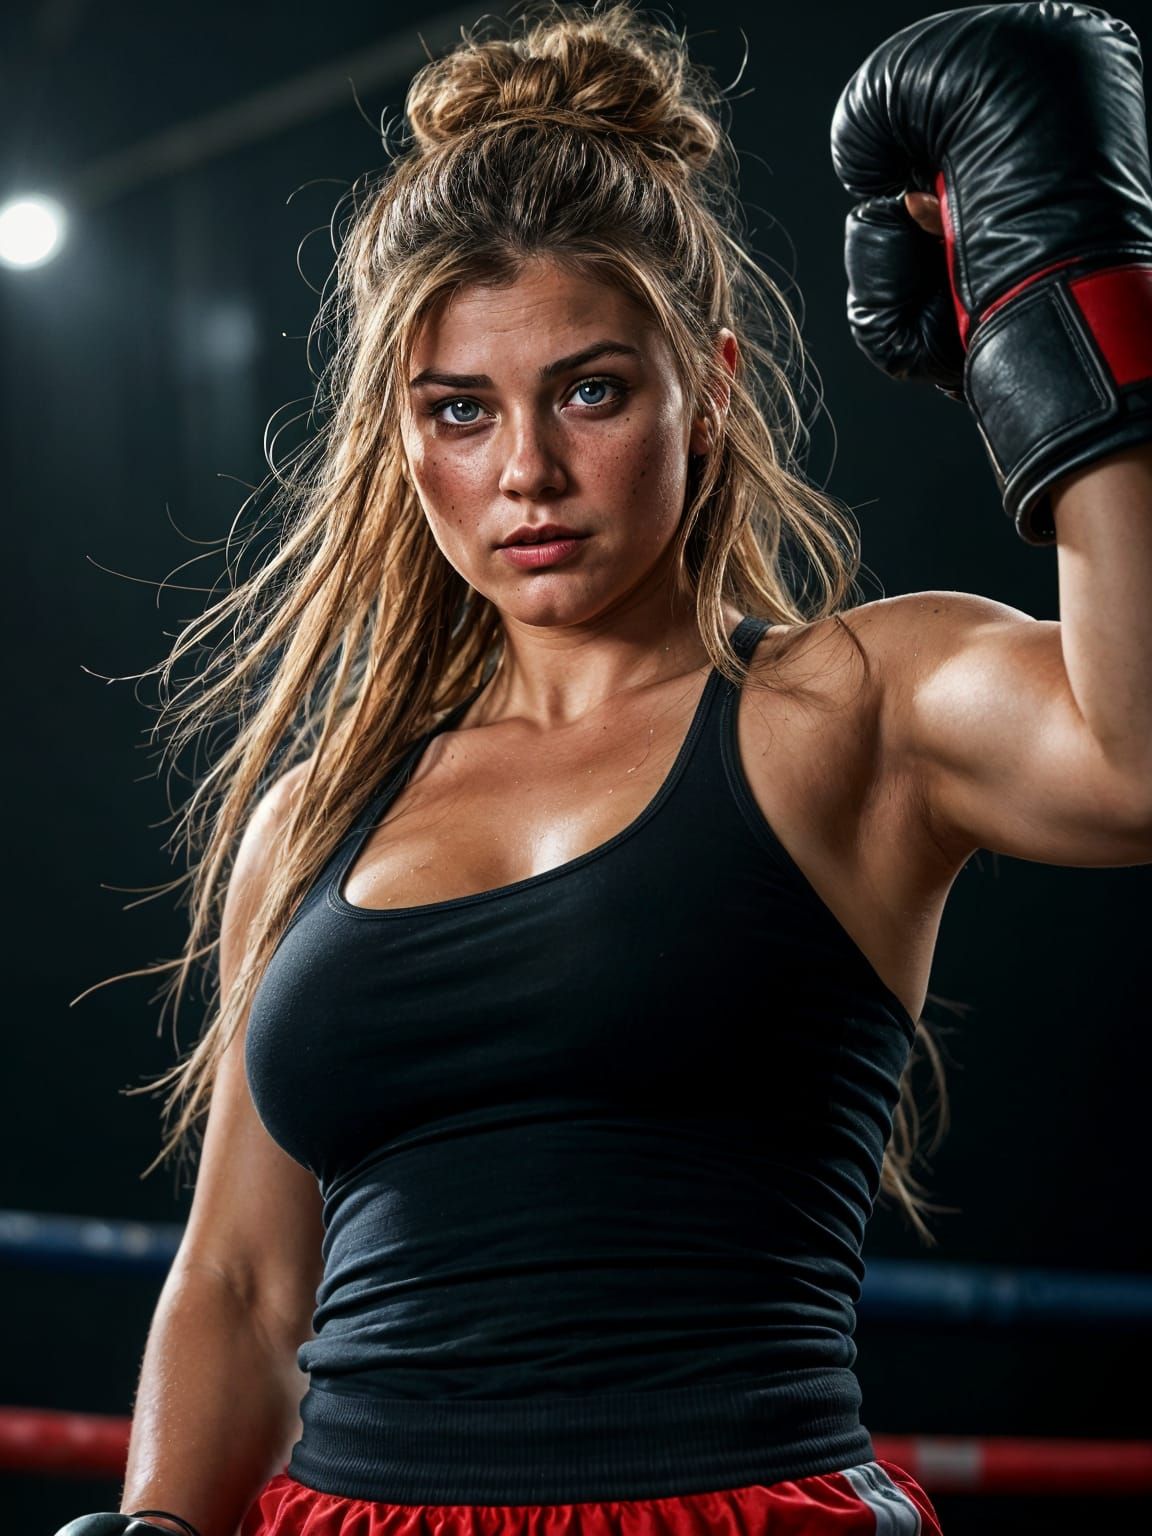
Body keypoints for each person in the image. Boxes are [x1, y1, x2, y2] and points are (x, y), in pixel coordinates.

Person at [58, 1, 1152, 1534]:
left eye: (590, 391)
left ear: (705, 383)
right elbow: (241, 1288)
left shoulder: (848, 704)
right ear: (400, 435)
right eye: (460, 410)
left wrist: (1065, 327)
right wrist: (160, 1527)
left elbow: (1139, 756)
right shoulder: (314, 818)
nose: (526, 473)